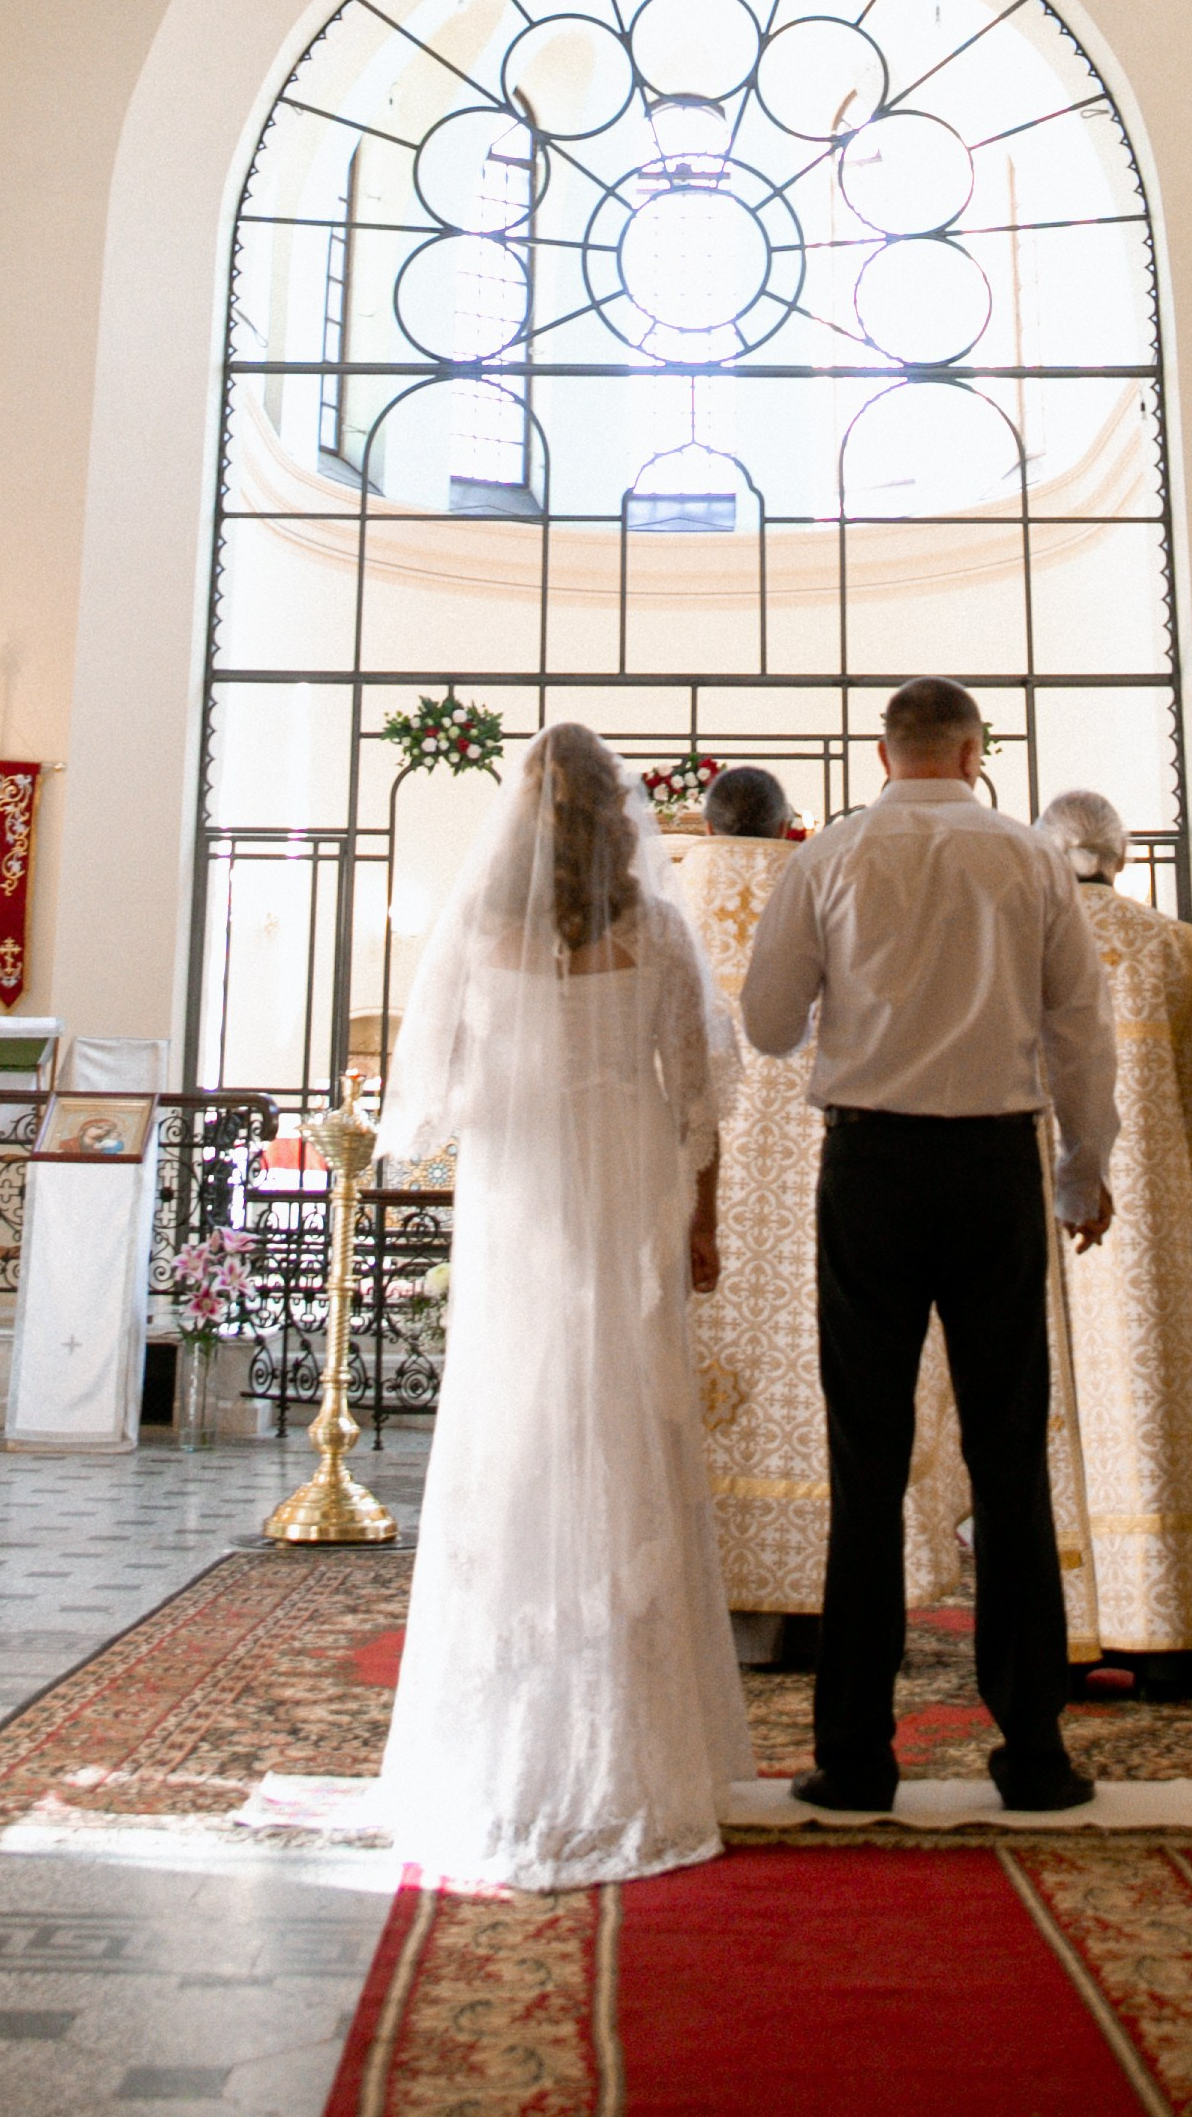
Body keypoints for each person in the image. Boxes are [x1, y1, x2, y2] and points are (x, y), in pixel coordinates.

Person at [372, 723, 751, 1886]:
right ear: (617, 816)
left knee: (519, 1417)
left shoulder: (480, 928)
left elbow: (425, 1097)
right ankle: (630, 1726)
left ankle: (518, 1710)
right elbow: (698, 1092)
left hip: (521, 1185)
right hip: (624, 1176)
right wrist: (702, 1219)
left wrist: (496, 1093)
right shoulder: (650, 926)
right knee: (623, 1413)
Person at [742, 676, 1118, 1816]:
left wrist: (858, 1002)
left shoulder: (832, 857)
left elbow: (763, 1025)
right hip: (995, 1167)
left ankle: (855, 1755)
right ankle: (1035, 1757)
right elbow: (1079, 1030)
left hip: (869, 1169)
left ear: (881, 750)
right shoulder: (1029, 855)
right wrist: (1082, 1171)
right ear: (973, 751)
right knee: (1009, 1460)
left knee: (866, 1464)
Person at [1034, 789, 1192, 1697]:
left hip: (1046, 1213)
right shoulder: (1176, 945)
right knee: (1153, 1408)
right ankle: (1168, 1630)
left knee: (1053, 1410)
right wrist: (1171, 1166)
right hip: (1149, 1227)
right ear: (1120, 856)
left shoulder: (1025, 940)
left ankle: (1066, 1633)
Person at [673, 764, 823, 1666]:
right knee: (810, 1380)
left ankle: (691, 1603)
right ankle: (810, 1603)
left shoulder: (667, 890)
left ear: (708, 821)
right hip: (805, 1187)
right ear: (786, 825)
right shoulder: (814, 882)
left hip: (697, 1185)